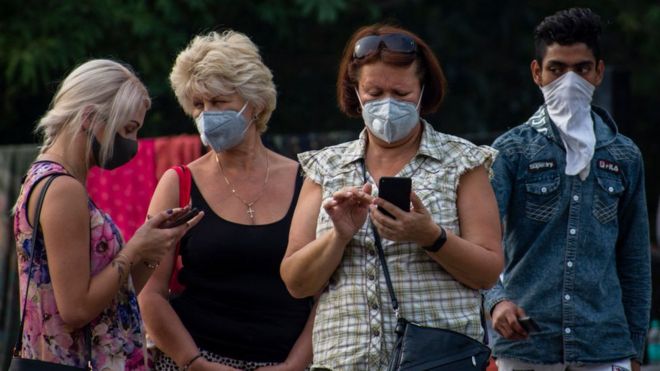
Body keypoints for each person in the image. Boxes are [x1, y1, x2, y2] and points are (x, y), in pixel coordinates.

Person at [280, 24, 503, 369]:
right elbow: (296, 282)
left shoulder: (462, 161)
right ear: (355, 91)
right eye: (374, 92)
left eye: (401, 93)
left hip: (435, 360)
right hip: (345, 360)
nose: (387, 105)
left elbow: (488, 271)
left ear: (423, 90)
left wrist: (430, 236)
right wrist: (339, 236)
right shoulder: (326, 167)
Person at [484, 8, 651, 371]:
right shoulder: (511, 151)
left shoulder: (625, 156)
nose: (570, 81)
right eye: (557, 69)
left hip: (605, 348)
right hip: (526, 347)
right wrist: (495, 303)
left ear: (599, 72)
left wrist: (635, 350)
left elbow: (635, 261)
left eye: (582, 69)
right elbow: (478, 242)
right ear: (537, 73)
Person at [138, 30, 315, 371]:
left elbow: (325, 293)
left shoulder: (306, 180)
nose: (207, 114)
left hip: (285, 361)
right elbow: (150, 292)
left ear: (256, 103)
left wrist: (293, 367)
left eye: (219, 102)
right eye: (198, 105)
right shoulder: (179, 183)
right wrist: (194, 362)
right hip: (198, 360)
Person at [11, 59, 201, 370]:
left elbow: (112, 301)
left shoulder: (50, 179)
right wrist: (135, 247)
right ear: (89, 118)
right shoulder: (62, 189)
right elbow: (76, 309)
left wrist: (153, 249)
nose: (132, 143)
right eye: (128, 129)